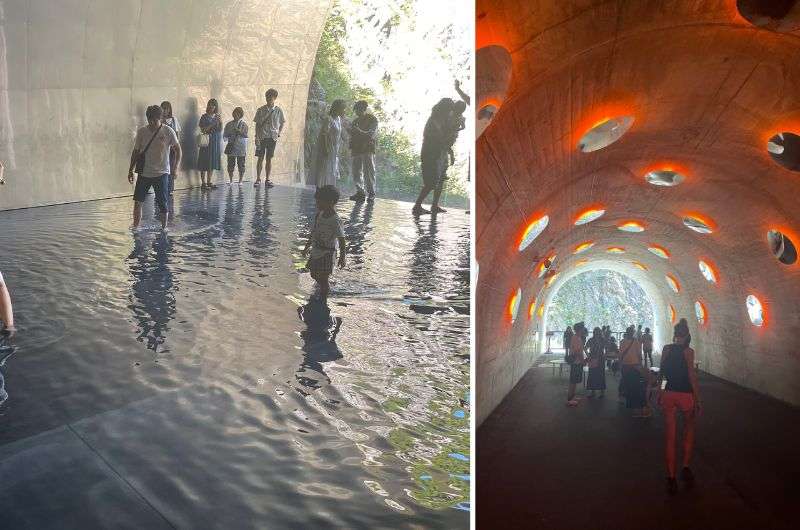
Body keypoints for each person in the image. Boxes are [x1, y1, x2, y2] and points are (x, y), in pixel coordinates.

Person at [658, 318, 700, 495]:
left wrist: (660, 392)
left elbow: (662, 375)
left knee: (670, 437)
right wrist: (698, 398)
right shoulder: (688, 352)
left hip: (669, 393)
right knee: (689, 428)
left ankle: (671, 477)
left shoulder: (666, 349)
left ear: (675, 335)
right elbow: (691, 376)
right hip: (685, 394)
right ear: (687, 336)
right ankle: (685, 466)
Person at [128, 105, 181, 230]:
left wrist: (175, 168)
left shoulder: (168, 131)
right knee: (138, 202)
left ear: (160, 118)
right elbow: (135, 152)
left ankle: (164, 228)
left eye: (154, 120)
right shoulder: (142, 132)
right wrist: (130, 169)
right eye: (149, 119)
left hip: (161, 173)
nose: (151, 122)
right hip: (144, 173)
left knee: (162, 203)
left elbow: (178, 150)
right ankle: (136, 226)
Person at [302, 185, 346, 302]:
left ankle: (323, 298)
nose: (317, 204)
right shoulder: (319, 215)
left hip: (327, 253)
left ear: (331, 202)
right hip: (316, 250)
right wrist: (307, 247)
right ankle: (323, 286)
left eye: (319, 201)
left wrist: (342, 256)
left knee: (323, 278)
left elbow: (341, 239)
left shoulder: (335, 220)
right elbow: (314, 232)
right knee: (313, 274)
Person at [413, 98, 454, 216]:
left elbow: (443, 139)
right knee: (431, 182)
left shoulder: (442, 121)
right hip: (430, 152)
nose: (450, 112)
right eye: (449, 110)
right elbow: (429, 136)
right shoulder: (433, 121)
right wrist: (443, 140)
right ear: (444, 109)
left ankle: (427, 205)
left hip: (438, 153)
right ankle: (417, 205)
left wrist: (449, 150)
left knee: (437, 180)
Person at [253, 88, 286, 187]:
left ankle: (267, 179)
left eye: (270, 97)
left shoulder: (278, 110)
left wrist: (279, 132)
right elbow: (257, 124)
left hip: (272, 137)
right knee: (260, 158)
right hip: (262, 136)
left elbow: (282, 122)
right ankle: (258, 179)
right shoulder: (260, 110)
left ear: (275, 98)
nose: (268, 98)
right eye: (267, 96)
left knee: (269, 158)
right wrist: (256, 137)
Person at [311, 100, 346, 188]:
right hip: (328, 147)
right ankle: (320, 189)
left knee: (331, 168)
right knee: (324, 167)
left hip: (335, 148)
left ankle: (328, 188)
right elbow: (324, 134)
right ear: (338, 109)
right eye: (343, 108)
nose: (344, 111)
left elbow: (339, 133)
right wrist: (326, 148)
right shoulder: (328, 119)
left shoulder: (338, 119)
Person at [349, 100, 378, 202]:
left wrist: (358, 131)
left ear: (364, 109)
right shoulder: (355, 121)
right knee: (356, 172)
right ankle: (360, 192)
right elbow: (352, 134)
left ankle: (371, 193)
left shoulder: (372, 119)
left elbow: (370, 134)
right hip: (356, 149)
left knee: (368, 172)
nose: (357, 111)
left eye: (359, 109)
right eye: (356, 109)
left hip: (367, 149)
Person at [619, 325, 648, 417]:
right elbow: (639, 355)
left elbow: (620, 354)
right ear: (633, 333)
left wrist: (620, 365)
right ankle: (638, 408)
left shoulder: (622, 341)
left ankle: (632, 407)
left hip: (625, 366)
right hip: (635, 367)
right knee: (637, 387)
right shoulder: (636, 342)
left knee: (629, 387)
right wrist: (641, 366)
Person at [197, 98, 222, 190]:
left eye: (213, 105)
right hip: (206, 141)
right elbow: (203, 130)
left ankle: (209, 181)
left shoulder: (217, 116)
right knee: (204, 161)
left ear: (215, 107)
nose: (211, 106)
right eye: (210, 104)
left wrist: (220, 122)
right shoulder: (204, 117)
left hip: (215, 141)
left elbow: (219, 130)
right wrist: (213, 123)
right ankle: (203, 183)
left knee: (212, 162)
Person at [223, 107, 248, 185]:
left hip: (241, 147)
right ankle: (231, 180)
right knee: (230, 164)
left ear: (240, 115)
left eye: (237, 113)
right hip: (231, 146)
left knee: (241, 164)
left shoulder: (244, 124)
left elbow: (246, 135)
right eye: (234, 113)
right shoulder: (229, 124)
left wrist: (239, 131)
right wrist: (229, 135)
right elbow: (225, 135)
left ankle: (240, 181)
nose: (235, 115)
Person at [160, 101, 181, 195]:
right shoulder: (159, 120)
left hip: (172, 148)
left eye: (166, 108)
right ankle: (162, 187)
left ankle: (170, 188)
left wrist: (176, 145)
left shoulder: (174, 119)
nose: (165, 111)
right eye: (163, 108)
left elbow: (177, 133)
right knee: (163, 168)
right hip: (163, 148)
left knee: (172, 167)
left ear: (169, 109)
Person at [566, 322, 586, 406]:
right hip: (576, 362)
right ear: (580, 329)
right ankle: (569, 399)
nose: (583, 330)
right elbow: (578, 352)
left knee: (574, 380)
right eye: (582, 328)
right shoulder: (576, 338)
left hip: (576, 362)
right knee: (573, 381)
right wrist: (583, 361)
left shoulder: (577, 337)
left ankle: (572, 396)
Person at [585, 327, 606, 398]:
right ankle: (599, 392)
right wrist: (588, 356)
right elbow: (585, 348)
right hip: (598, 359)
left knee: (594, 374)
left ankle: (595, 392)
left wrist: (589, 356)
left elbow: (585, 348)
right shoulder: (602, 340)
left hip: (596, 359)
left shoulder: (592, 340)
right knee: (597, 374)